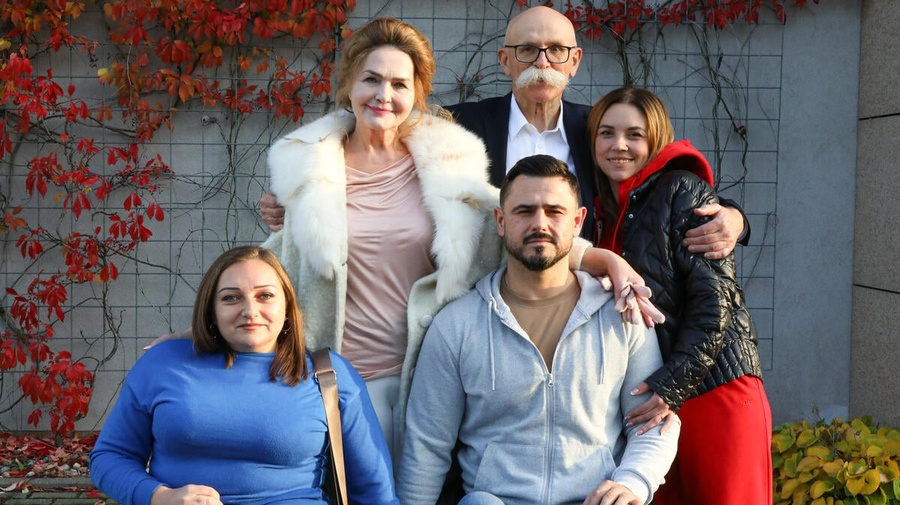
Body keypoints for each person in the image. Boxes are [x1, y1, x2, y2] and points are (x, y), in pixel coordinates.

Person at [258, 17, 645, 461]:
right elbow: (272, 268)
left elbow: (513, 226)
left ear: (416, 94)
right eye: (371, 80)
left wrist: (604, 261)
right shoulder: (311, 168)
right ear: (349, 85)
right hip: (328, 376)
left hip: (422, 378)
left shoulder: (446, 164)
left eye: (399, 84)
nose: (384, 95)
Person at [261, 6, 748, 258]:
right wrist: (300, 186)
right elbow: (376, 127)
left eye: (556, 50)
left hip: (579, 301)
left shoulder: (598, 130)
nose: (542, 61)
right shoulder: (457, 125)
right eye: (527, 50)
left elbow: (664, 181)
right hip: (478, 303)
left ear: (574, 61)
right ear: (504, 60)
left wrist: (734, 218)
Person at [397, 155, 680, 505]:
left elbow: (652, 423)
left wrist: (633, 483)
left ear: (577, 222)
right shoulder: (457, 325)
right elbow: (426, 446)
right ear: (500, 221)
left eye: (554, 212)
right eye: (524, 211)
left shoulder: (621, 315)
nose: (539, 223)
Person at [90, 246, 398, 505]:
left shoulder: (329, 374)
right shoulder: (163, 364)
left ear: (287, 307)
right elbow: (110, 456)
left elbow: (374, 491)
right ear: (211, 310)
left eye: (265, 296)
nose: (250, 310)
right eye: (231, 298)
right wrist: (160, 497)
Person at [587, 87, 772, 504]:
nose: (619, 145)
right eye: (607, 133)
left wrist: (670, 387)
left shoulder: (682, 190)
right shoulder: (604, 210)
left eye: (634, 134)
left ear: (655, 139)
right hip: (655, 400)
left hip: (713, 392)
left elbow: (714, 305)